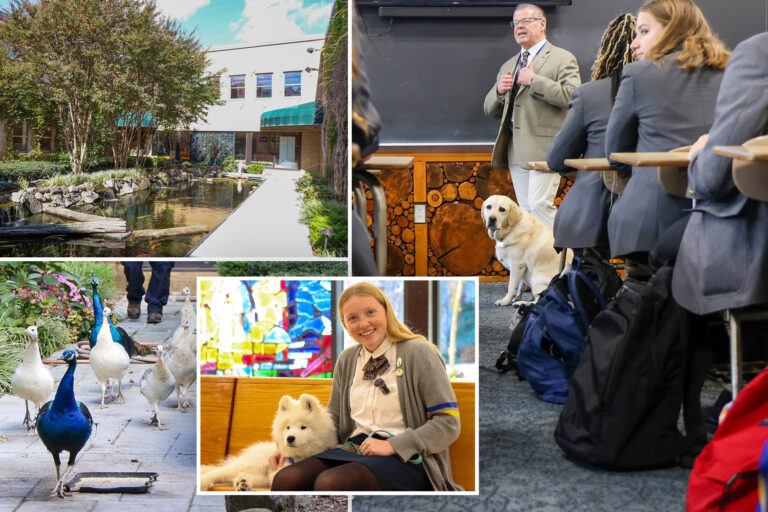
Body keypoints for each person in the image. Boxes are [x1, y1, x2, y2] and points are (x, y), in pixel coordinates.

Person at [270, 282, 462, 491]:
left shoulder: (418, 353)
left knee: (331, 483)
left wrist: (392, 445)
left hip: (408, 457)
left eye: (370, 312)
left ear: (386, 311)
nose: (363, 324)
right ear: (345, 324)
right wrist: (289, 445)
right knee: (286, 479)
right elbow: (332, 420)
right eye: (353, 318)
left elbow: (448, 422)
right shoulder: (347, 359)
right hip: (355, 449)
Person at [604, 0, 730, 269]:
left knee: (648, 307)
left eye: (644, 31)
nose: (634, 43)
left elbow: (614, 153)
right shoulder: (732, 71)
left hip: (649, 222)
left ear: (673, 29)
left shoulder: (637, 74)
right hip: (725, 218)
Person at [672, 32, 768, 315]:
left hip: (753, 243)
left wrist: (699, 156)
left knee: (663, 256)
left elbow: (711, 180)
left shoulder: (758, 53)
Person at [484, 3, 580, 229]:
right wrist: (499, 90)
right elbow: (489, 111)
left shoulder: (562, 58)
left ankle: (564, 259)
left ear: (542, 24)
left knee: (539, 205)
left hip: (545, 149)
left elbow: (574, 97)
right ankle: (539, 264)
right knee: (527, 211)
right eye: (515, 23)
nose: (519, 27)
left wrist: (535, 81)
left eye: (525, 21)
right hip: (515, 150)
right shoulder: (509, 65)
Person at [547, 13, 636, 254]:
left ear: (605, 51)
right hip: (645, 215)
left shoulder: (588, 94)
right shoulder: (662, 94)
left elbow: (556, 159)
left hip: (590, 217)